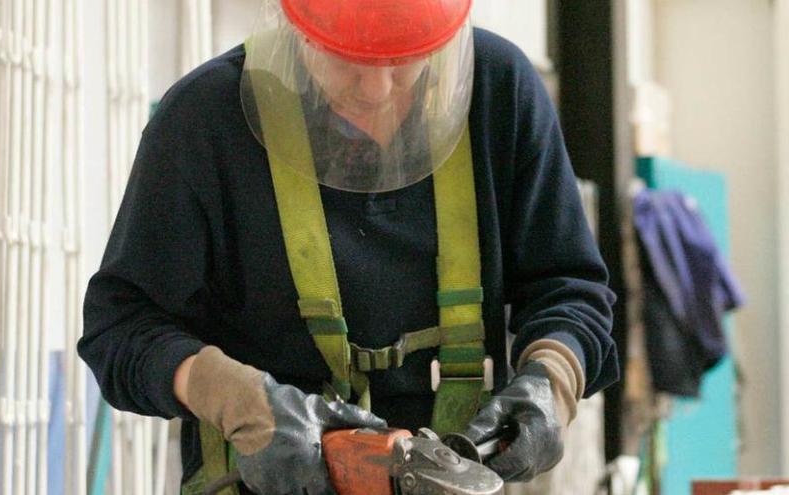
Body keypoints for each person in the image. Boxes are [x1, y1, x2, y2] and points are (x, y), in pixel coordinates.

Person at [78, 0, 619, 493]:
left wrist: (553, 380)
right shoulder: (204, 120)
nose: (378, 90)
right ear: (297, 29)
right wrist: (229, 395)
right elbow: (120, 327)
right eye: (348, 60)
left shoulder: (501, 93)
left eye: (405, 59)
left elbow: (570, 289)